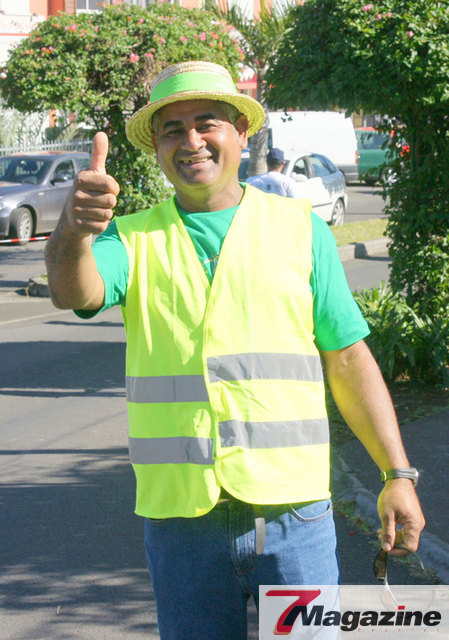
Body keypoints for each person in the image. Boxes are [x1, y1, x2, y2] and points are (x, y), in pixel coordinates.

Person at [45, 60, 424, 640]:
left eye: (208, 123)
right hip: (182, 524)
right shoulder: (132, 236)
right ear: (157, 147)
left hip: (294, 517)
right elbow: (75, 292)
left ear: (241, 133)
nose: (191, 141)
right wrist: (73, 230)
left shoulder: (300, 229)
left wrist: (397, 474)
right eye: (173, 129)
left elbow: (349, 359)